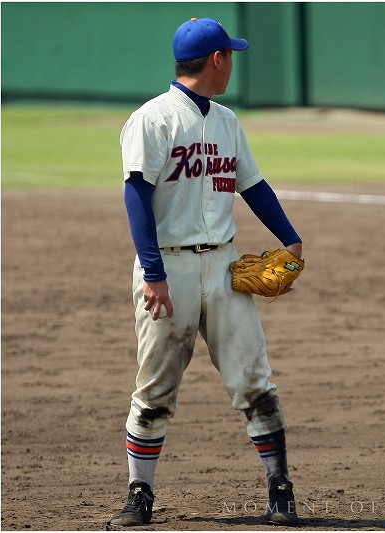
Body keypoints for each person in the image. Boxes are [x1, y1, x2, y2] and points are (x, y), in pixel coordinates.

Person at [111, 17, 303, 527]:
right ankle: (139, 495)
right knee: (155, 389)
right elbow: (137, 198)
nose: (233, 62)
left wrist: (289, 237)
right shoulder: (152, 120)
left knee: (255, 379)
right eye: (230, 54)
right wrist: (152, 273)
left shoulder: (226, 120)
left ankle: (280, 490)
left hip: (223, 265)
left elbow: (254, 186)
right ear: (217, 59)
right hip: (168, 269)